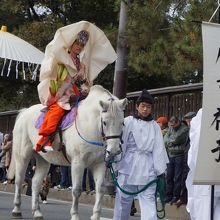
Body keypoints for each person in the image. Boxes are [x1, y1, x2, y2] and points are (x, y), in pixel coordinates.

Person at [113, 89, 168, 220]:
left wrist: (160, 171)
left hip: (148, 167)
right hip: (128, 166)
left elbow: (158, 149)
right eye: (143, 106)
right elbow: (120, 143)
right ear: (137, 106)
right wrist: (115, 161)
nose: (145, 109)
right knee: (123, 200)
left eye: (148, 107)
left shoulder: (155, 126)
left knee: (148, 200)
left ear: (151, 109)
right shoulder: (128, 121)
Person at [36, 30, 91, 152]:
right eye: (77, 44)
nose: (79, 47)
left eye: (82, 45)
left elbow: (84, 82)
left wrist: (85, 90)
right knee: (58, 109)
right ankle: (45, 140)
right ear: (71, 44)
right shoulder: (62, 60)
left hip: (77, 94)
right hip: (63, 93)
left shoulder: (82, 65)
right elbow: (59, 79)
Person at [186, 109, 220, 219]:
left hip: (206, 171)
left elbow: (195, 147)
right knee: (206, 207)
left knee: (205, 207)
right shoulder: (204, 111)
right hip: (207, 172)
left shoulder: (205, 111)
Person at [164, 116, 189, 205]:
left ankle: (176, 196)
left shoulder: (184, 129)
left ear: (178, 122)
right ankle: (168, 195)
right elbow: (165, 139)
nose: (172, 126)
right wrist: (170, 141)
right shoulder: (170, 128)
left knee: (178, 177)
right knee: (169, 176)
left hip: (180, 155)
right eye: (171, 125)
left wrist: (170, 142)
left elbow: (177, 138)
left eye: (174, 125)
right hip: (171, 155)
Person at [175, 112, 196, 207]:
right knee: (184, 178)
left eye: (190, 120)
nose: (188, 122)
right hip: (186, 157)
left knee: (189, 179)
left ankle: (186, 199)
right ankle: (183, 198)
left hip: (192, 159)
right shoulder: (189, 129)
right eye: (187, 120)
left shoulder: (196, 130)